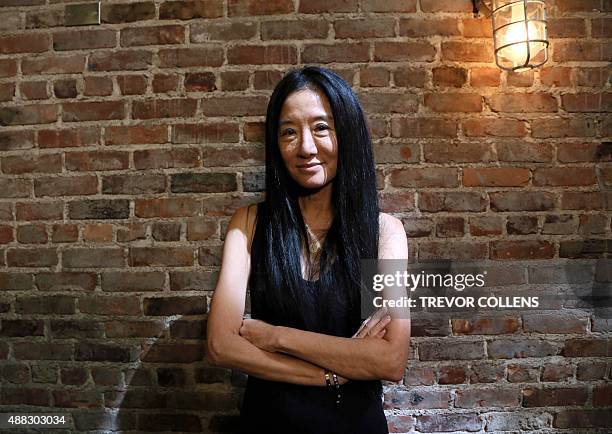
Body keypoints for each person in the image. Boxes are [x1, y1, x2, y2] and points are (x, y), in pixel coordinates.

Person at [206, 66, 411, 434]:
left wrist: (276, 337)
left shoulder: (386, 232)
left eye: (321, 127)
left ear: (346, 133)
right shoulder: (248, 224)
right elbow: (221, 344)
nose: (305, 147)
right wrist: (332, 374)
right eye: (288, 132)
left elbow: (391, 359)